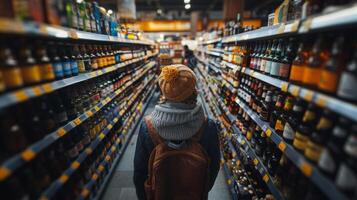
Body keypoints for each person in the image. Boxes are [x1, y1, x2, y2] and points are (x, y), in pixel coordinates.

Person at [133, 64, 220, 200]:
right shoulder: (208, 126)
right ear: (193, 90)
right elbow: (213, 168)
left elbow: (140, 172)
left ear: (163, 90)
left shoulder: (147, 126)